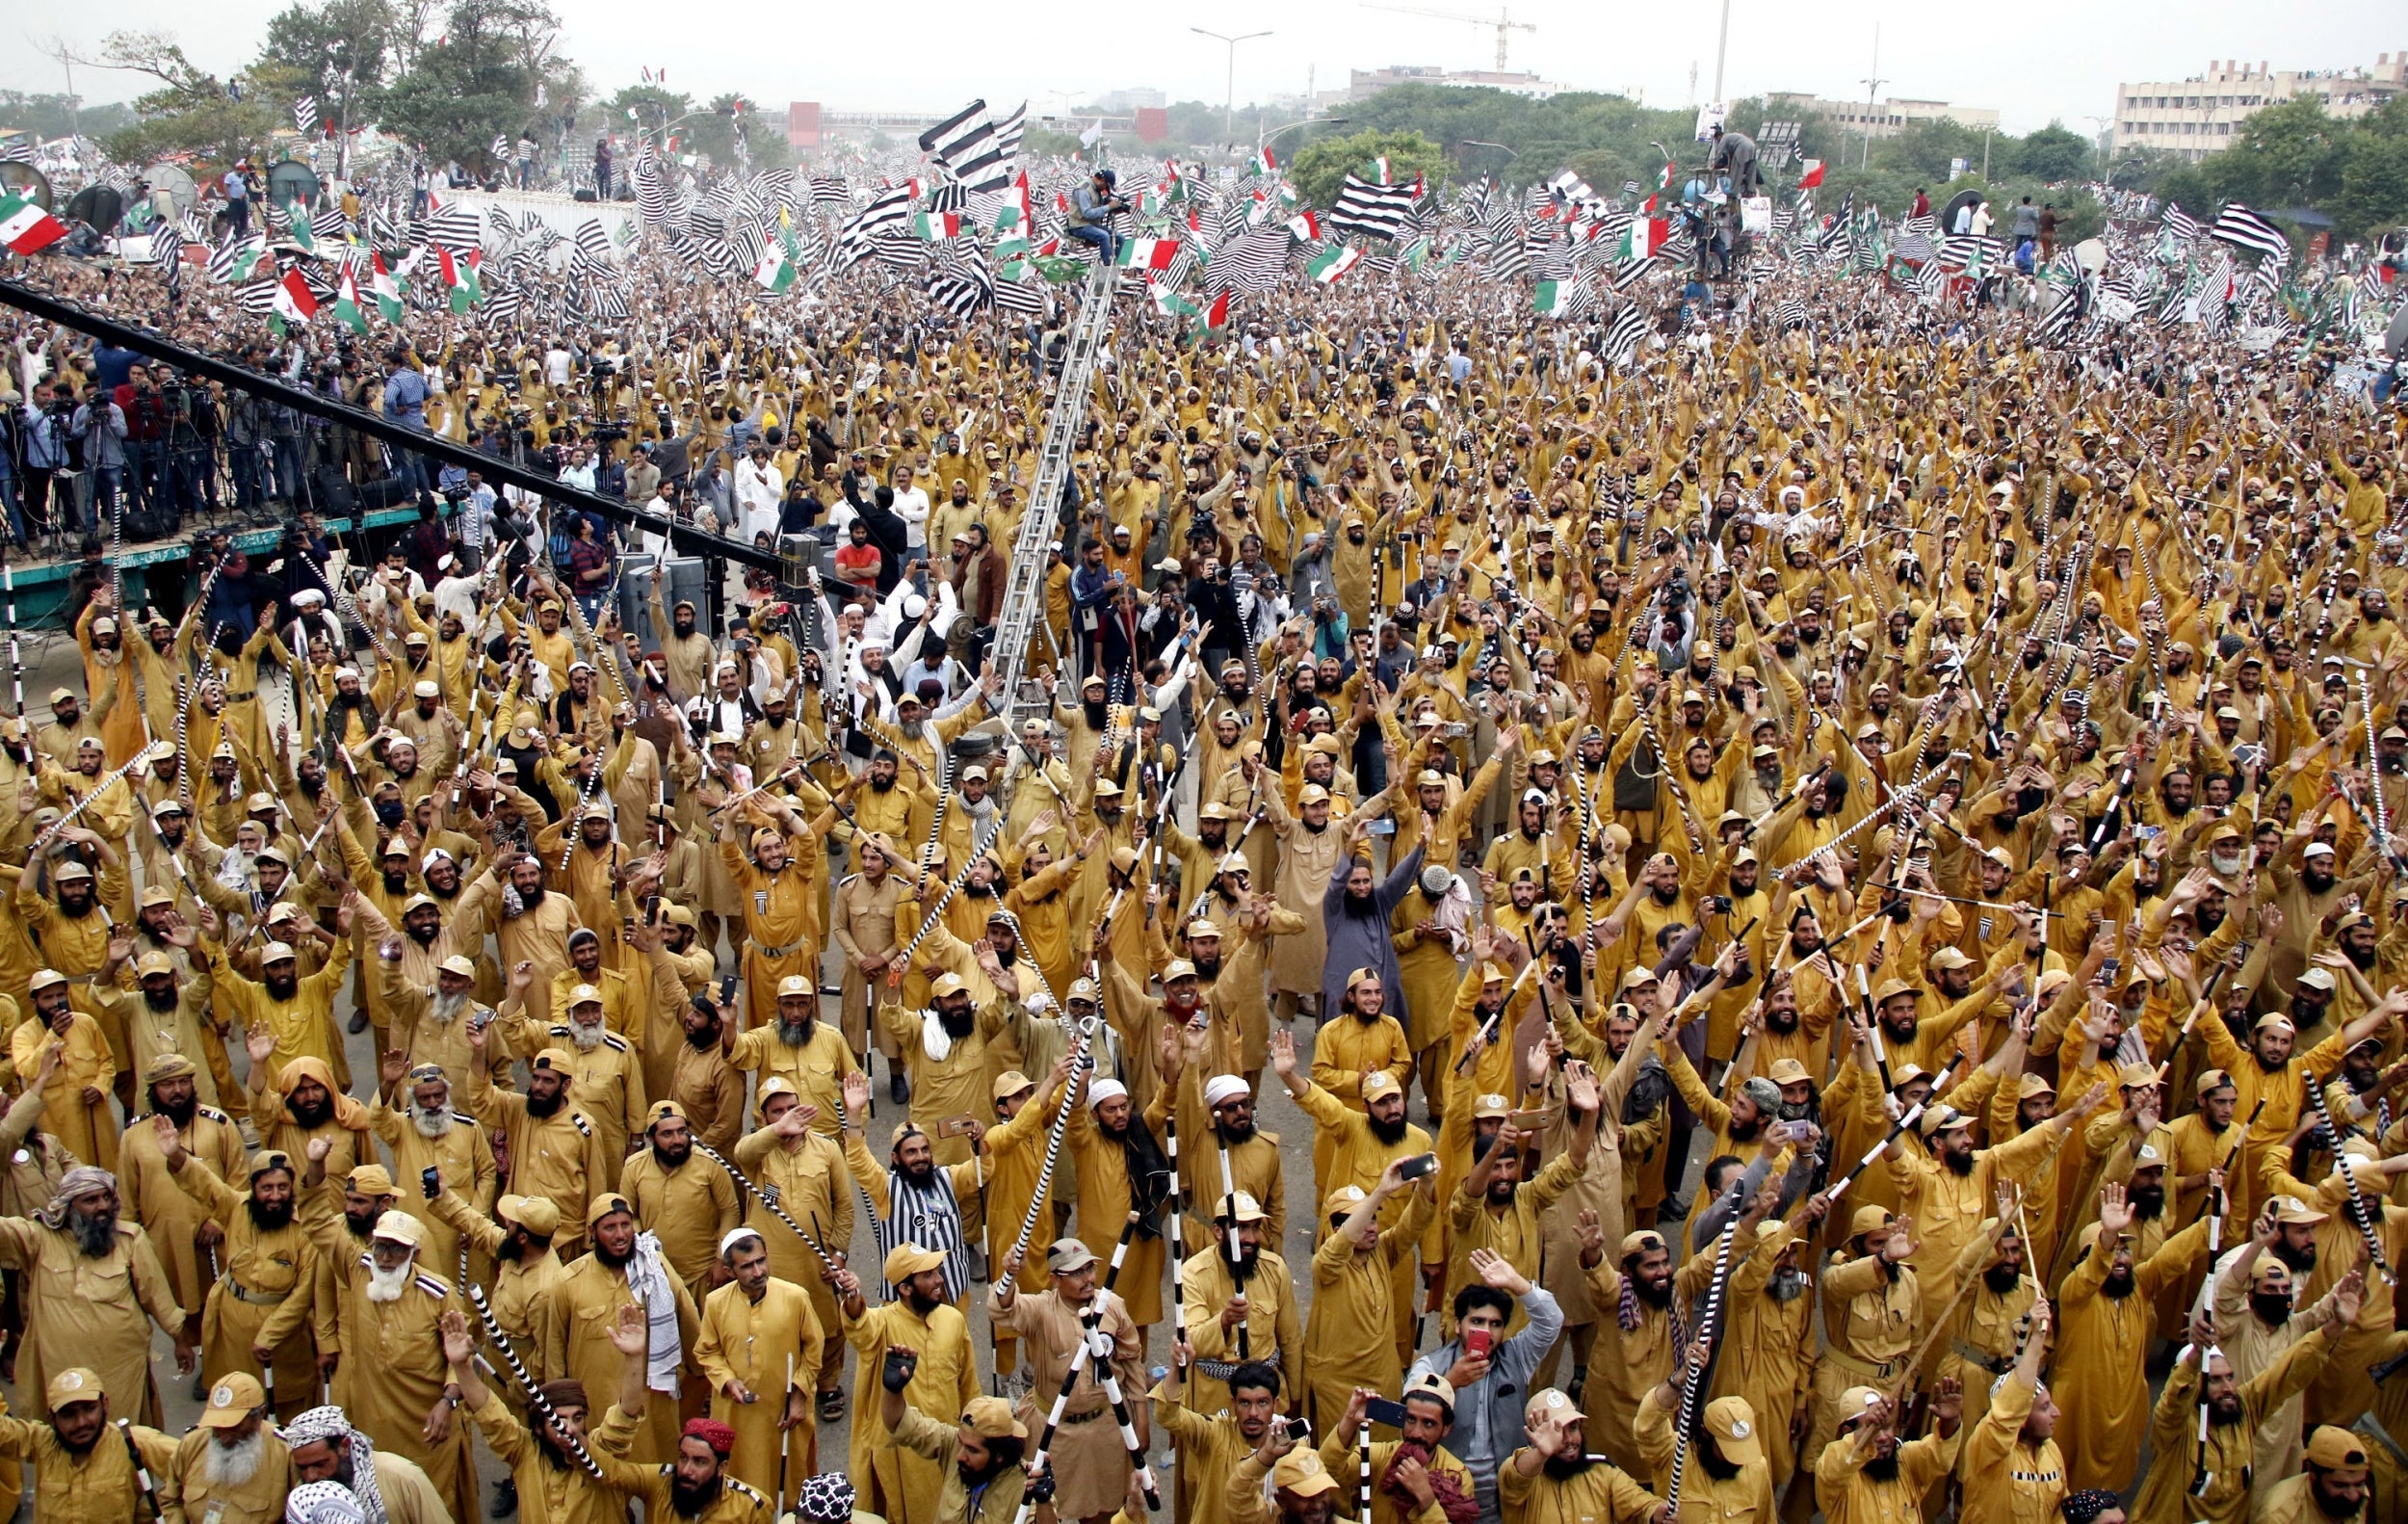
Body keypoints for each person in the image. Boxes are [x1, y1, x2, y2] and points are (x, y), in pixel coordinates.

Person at [1067, 170, 1127, 266]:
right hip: (1079, 226)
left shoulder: (1096, 190)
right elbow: (1087, 213)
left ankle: (1115, 264)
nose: (1105, 189)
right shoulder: (1084, 189)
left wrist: (1113, 207)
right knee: (1104, 236)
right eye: (1106, 186)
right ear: (1102, 181)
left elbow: (1097, 207)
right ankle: (1106, 266)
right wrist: (1108, 207)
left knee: (1120, 238)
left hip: (1092, 224)